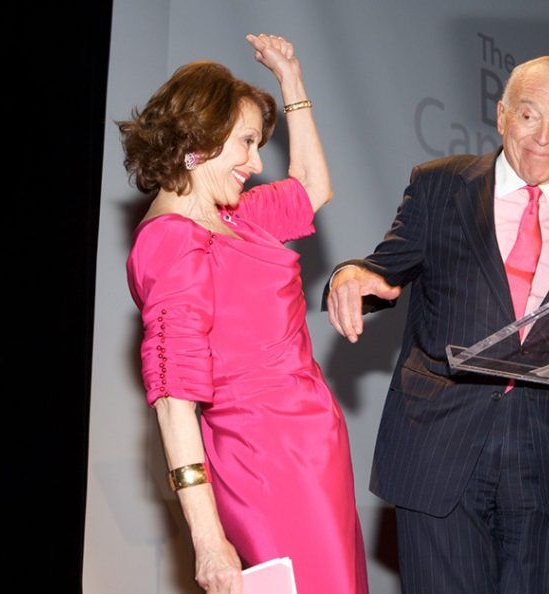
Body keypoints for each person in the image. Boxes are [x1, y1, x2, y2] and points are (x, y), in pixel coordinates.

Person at [324, 56, 549, 594]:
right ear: (501, 117)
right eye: (528, 116)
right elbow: (384, 265)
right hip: (441, 443)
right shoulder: (441, 185)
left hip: (541, 453)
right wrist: (352, 275)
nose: (544, 137)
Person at [121, 34, 367, 594]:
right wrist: (207, 540)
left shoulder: (237, 217)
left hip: (314, 450)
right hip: (264, 465)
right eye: (247, 143)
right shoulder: (172, 243)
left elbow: (311, 187)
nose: (257, 165)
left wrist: (293, 83)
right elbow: (174, 398)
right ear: (199, 142)